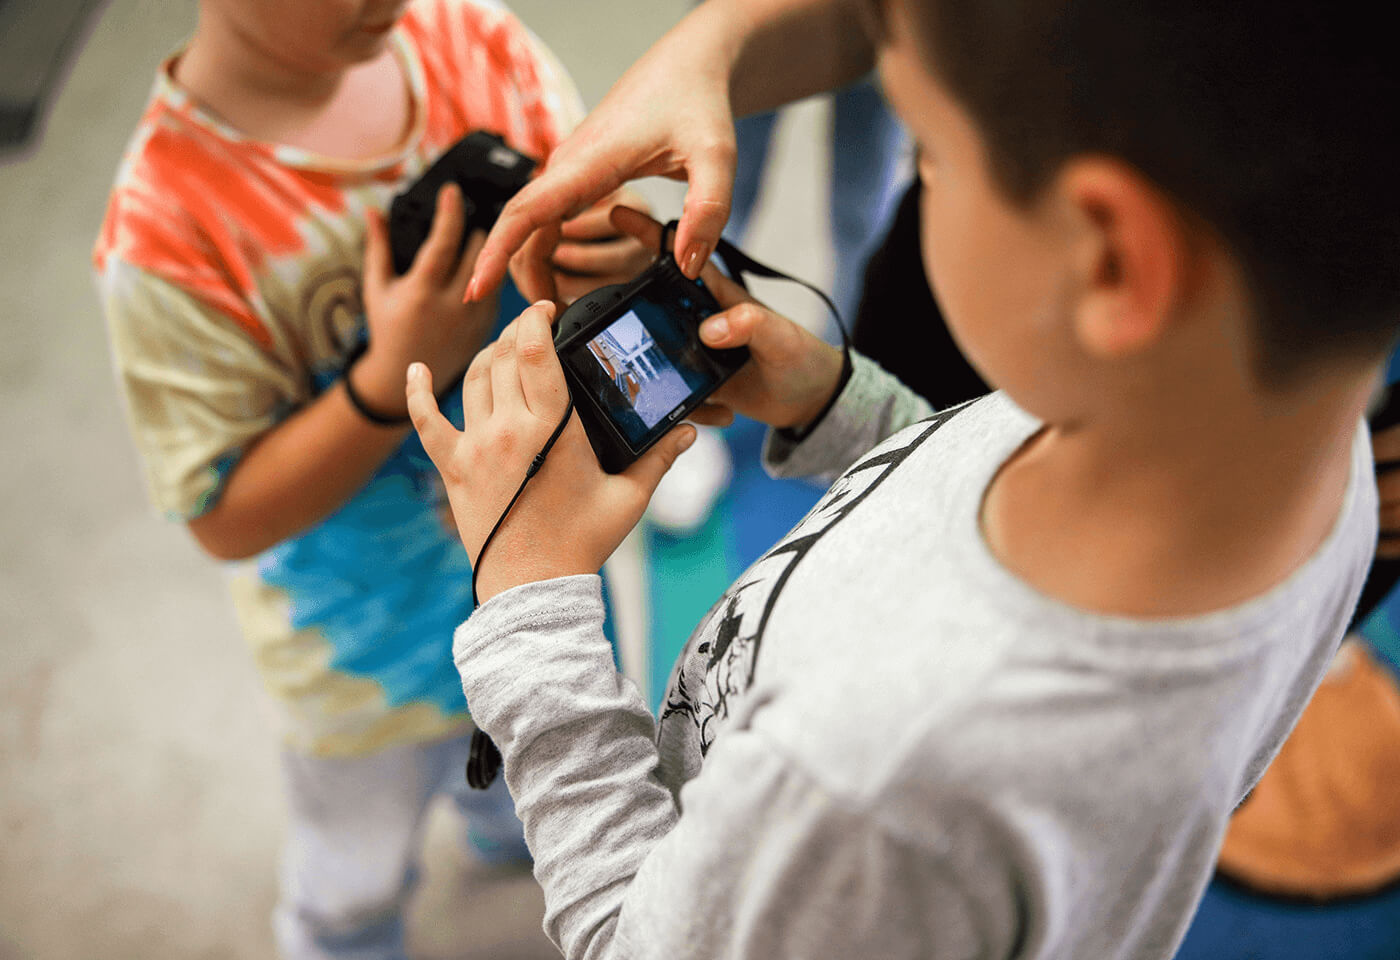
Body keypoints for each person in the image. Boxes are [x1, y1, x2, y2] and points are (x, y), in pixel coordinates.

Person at [410, 0, 1396, 957]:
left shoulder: (865, 786)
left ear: (1108, 261)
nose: (918, 173)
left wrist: (532, 599)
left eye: (929, 150)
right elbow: (974, 486)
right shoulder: (1327, 475)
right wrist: (836, 404)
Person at [92, 1, 651, 956]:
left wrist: (609, 252)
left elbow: (584, 257)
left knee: (539, 783)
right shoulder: (166, 229)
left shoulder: (478, 41)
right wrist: (386, 380)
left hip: (552, 595)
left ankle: (505, 833)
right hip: (364, 673)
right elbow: (223, 518)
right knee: (354, 876)